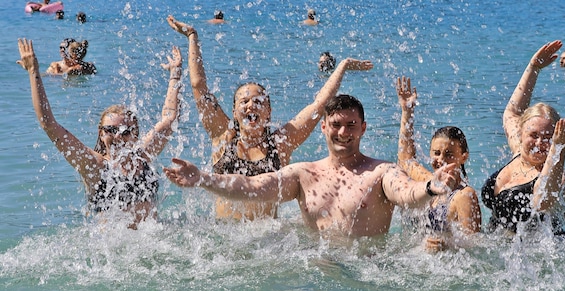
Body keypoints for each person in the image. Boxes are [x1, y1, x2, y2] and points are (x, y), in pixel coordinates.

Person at [164, 94, 458, 245]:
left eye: (351, 125)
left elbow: (407, 193)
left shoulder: (382, 171)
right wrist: (203, 178)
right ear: (324, 127)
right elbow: (253, 188)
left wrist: (431, 186)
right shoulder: (303, 174)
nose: (344, 132)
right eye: (337, 125)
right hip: (319, 272)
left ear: (363, 129)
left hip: (370, 273)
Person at [167, 15, 374, 221]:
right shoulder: (223, 136)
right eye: (244, 101)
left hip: (267, 242)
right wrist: (193, 36)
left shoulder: (280, 144)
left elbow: (318, 106)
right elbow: (198, 86)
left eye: (259, 102)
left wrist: (342, 67)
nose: (251, 105)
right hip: (225, 237)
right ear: (234, 112)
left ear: (269, 112)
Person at [17, 38, 183, 229]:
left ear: (135, 134)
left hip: (152, 244)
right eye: (111, 130)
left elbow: (169, 118)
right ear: (101, 133)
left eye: (125, 131)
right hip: (112, 251)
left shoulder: (143, 156)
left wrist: (175, 74)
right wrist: (33, 72)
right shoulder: (95, 166)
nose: (118, 136)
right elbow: (48, 124)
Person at [481, 40, 565, 238]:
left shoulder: (558, 175)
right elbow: (512, 111)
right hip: (498, 247)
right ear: (521, 133)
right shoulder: (519, 150)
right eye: (533, 135)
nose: (539, 143)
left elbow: (543, 201)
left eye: (548, 138)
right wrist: (533, 68)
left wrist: (559, 148)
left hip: (538, 259)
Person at [396, 76, 481, 252]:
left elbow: (476, 246)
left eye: (449, 154)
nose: (441, 160)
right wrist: (407, 112)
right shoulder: (428, 181)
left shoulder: (464, 196)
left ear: (463, 157)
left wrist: (448, 245)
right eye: (436, 153)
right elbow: (405, 160)